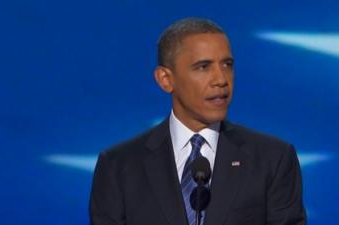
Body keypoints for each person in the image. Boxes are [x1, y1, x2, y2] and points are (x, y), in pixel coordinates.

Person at [89, 17, 306, 225]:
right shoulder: (118, 167)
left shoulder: (273, 160)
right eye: (203, 67)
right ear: (166, 79)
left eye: (227, 65)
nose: (221, 80)